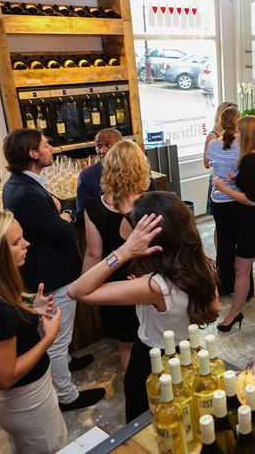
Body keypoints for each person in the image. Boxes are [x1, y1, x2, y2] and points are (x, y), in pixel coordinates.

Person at [68, 191, 219, 422]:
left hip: (152, 361)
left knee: (147, 425)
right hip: (189, 353)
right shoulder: (201, 261)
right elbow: (214, 308)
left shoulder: (155, 286)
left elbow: (77, 291)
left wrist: (123, 251)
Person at [2, 128, 105, 411]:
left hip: (48, 270)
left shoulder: (22, 183)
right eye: (45, 145)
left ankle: (68, 363)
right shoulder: (26, 192)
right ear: (33, 153)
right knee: (57, 339)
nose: (51, 148)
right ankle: (66, 396)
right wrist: (65, 214)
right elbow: (62, 232)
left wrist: (56, 211)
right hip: (51, 275)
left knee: (61, 335)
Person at [0, 211, 67, 453]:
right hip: (25, 400)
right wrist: (48, 338)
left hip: (26, 396)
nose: (27, 244)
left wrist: (32, 311)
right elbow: (3, 377)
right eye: (16, 242)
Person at [82, 140, 150, 370]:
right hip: (148, 280)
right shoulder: (153, 203)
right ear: (141, 167)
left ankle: (135, 387)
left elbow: (93, 254)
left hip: (114, 282)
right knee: (160, 339)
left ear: (108, 168)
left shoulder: (93, 207)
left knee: (126, 344)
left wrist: (86, 285)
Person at [215, 116, 255, 332]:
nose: (235, 135)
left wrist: (225, 188)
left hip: (254, 220)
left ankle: (233, 314)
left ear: (247, 135)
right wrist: (238, 180)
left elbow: (251, 200)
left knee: (241, 269)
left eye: (239, 132)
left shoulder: (248, 161)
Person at [205, 106, 251, 297]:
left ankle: (224, 286)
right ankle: (246, 289)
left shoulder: (213, 144)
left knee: (224, 244)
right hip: (237, 199)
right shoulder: (243, 146)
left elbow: (209, 162)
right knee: (242, 245)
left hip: (218, 200)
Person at [76, 128, 155, 222]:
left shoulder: (138, 169)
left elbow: (153, 201)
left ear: (120, 145)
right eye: (98, 146)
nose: (102, 150)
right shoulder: (86, 176)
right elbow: (82, 213)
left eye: (108, 145)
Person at [203, 102, 238, 216]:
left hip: (228, 192)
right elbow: (206, 163)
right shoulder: (213, 136)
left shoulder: (238, 140)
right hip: (221, 188)